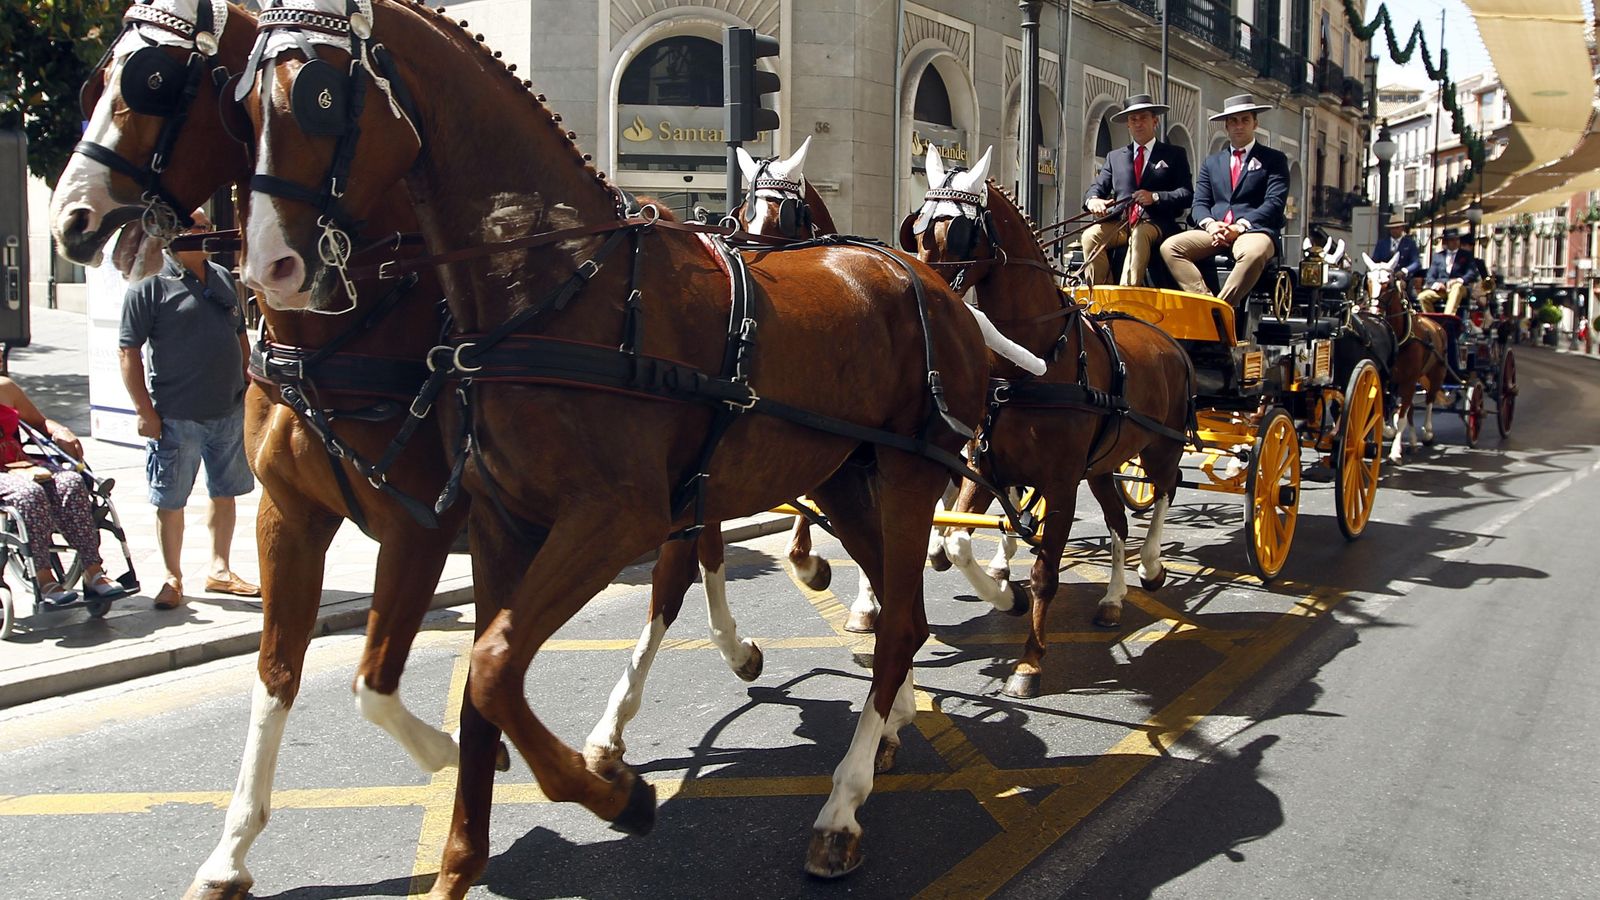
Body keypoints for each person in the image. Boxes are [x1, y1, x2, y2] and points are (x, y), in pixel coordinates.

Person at [118, 209, 259, 611]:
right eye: (197, 228)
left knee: (226, 492)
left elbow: (237, 333)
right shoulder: (148, 286)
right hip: (176, 416)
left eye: (206, 227)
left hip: (227, 411)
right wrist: (144, 411)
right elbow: (128, 352)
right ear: (173, 236)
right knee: (170, 499)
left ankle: (220, 569)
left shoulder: (221, 277)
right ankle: (172, 577)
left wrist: (246, 381)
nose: (206, 233)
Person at [0, 377, 124, 606]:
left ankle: (93, 571)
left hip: (18, 464)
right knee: (30, 494)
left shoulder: (5, 388)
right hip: (7, 477)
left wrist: (60, 430)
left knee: (71, 482)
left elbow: (40, 422)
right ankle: (45, 579)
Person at [1161, 94, 1291, 306]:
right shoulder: (1212, 163)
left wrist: (1239, 227)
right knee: (1170, 247)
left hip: (1254, 231)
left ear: (1255, 123)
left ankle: (1221, 308)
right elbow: (1199, 204)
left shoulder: (1274, 160)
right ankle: (1205, 302)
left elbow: (1274, 203)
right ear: (1226, 126)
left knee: (1253, 254)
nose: (1239, 126)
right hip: (1215, 232)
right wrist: (1212, 225)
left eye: (1245, 120)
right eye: (1233, 121)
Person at [1080, 93, 1193, 286]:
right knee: (1090, 236)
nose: (1138, 123)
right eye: (1133, 119)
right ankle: (1100, 293)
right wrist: (1093, 200)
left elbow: (1186, 194)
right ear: (1128, 125)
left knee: (1140, 234)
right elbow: (1097, 187)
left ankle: (1127, 291)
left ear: (1154, 121)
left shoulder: (1174, 154)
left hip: (1156, 224)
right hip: (1122, 224)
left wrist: (1156, 197)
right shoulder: (1115, 157)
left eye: (1143, 118)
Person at [1417, 227, 1479, 315]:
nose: (1455, 242)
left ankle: (1448, 317)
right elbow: (1430, 276)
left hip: (1460, 288)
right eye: (1452, 240)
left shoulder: (1466, 255)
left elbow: (1472, 273)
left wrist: (1458, 280)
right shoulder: (1438, 256)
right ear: (1446, 241)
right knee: (1422, 297)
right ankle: (1433, 321)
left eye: (1457, 239)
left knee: (1456, 287)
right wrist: (1437, 284)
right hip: (1443, 289)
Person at [1372, 215, 1421, 289]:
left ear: (1402, 228)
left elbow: (1416, 263)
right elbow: (1375, 260)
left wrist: (1404, 271)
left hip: (1403, 278)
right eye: (1392, 228)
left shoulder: (1410, 243)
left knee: (1414, 297)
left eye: (1397, 228)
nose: (1394, 230)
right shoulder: (1381, 244)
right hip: (1383, 278)